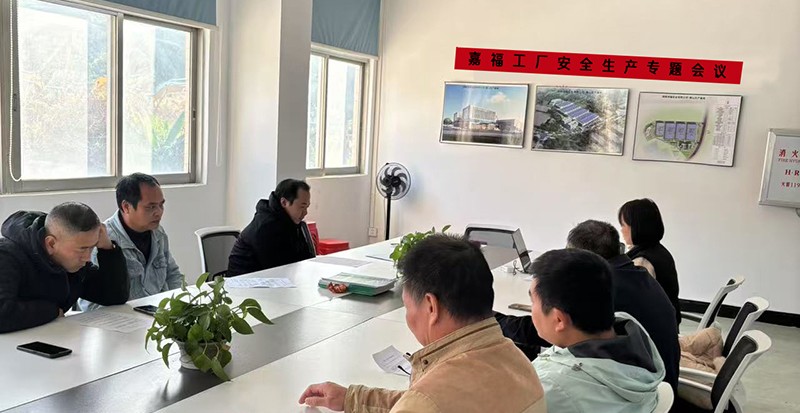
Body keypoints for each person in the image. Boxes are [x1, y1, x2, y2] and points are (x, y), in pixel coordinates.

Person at [298, 234, 546, 413]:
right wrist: (352, 398)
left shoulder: (428, 401)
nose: (408, 318)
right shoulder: (521, 365)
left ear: (430, 307)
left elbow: (428, 402)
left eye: (408, 307)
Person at [495, 220, 679, 391]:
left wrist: (494, 321)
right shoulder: (638, 275)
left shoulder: (603, 288)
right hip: (653, 379)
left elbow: (556, 328)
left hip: (636, 385)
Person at [530, 248, 665, 413]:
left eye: (532, 302)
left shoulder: (551, 389)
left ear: (559, 320)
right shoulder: (634, 334)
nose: (531, 310)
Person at [0, 202, 129, 333]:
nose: (87, 258)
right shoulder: (6, 255)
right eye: (82, 249)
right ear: (51, 244)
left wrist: (107, 248)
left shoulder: (73, 264)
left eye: (92, 247)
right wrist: (53, 311)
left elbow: (115, 297)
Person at [81, 173, 182, 310]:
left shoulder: (158, 233)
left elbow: (173, 275)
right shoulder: (103, 242)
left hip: (159, 314)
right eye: (151, 207)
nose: (159, 212)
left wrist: (178, 306)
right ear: (126, 207)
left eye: (161, 205)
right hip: (125, 320)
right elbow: (90, 307)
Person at [227, 179, 316, 276]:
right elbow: (280, 268)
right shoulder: (266, 227)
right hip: (245, 281)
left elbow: (304, 259)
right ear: (284, 202)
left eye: (307, 207)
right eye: (302, 207)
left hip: (269, 278)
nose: (305, 212)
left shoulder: (292, 222)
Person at [618, 198, 681, 324]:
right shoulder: (659, 250)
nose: (621, 230)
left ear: (636, 228)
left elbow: (633, 306)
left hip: (653, 331)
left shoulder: (642, 262)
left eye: (623, 225)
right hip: (667, 325)